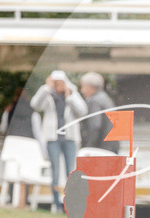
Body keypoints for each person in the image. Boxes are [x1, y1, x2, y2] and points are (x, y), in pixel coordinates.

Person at [31, 69, 87, 210]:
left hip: (70, 138)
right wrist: (46, 88)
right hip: (53, 138)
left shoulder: (72, 93)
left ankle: (70, 203)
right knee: (55, 170)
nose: (59, 86)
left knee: (71, 171)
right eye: (56, 83)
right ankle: (56, 204)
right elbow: (35, 104)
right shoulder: (48, 94)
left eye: (61, 83)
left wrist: (69, 97)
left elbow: (82, 111)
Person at [78, 72, 119, 153]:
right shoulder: (105, 98)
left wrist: (88, 147)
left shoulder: (94, 101)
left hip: (100, 146)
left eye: (83, 86)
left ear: (90, 87)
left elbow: (95, 126)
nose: (81, 90)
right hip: (111, 144)